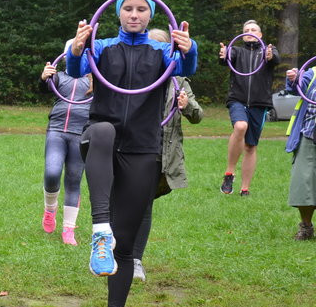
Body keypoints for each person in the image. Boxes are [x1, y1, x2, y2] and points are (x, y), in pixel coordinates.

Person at [66, 0, 198, 307]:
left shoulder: (162, 51)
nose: (134, 14)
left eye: (142, 9)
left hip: (143, 148)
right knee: (103, 129)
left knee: (124, 248)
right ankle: (99, 231)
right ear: (118, 11)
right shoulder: (102, 46)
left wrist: (189, 49)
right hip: (102, 141)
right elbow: (75, 69)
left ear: (151, 13)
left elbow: (187, 66)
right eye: (128, 8)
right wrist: (76, 48)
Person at [131, 29, 204, 281]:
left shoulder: (178, 81)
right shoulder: (133, 75)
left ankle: (135, 259)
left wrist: (186, 105)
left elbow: (198, 116)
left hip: (158, 152)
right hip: (131, 147)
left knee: (143, 204)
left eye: (158, 48)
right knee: (126, 202)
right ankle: (117, 250)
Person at [218, 20, 279, 196]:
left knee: (250, 147)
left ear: (260, 35)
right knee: (240, 126)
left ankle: (245, 189)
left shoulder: (268, 50)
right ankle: (229, 173)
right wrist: (223, 55)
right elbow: (225, 59)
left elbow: (275, 59)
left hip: (259, 103)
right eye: (246, 30)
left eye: (253, 29)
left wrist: (270, 56)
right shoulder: (236, 51)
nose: (250, 32)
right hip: (237, 99)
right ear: (242, 35)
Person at [40, 48, 91, 246]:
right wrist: (44, 77)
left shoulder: (94, 80)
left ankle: (69, 229)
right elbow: (44, 88)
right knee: (52, 172)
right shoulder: (58, 77)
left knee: (73, 179)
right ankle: (50, 209)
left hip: (81, 134)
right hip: (56, 130)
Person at [284, 66, 316, 240]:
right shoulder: (313, 73)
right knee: (303, 183)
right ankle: (306, 226)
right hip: (309, 134)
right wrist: (294, 78)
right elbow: (297, 85)